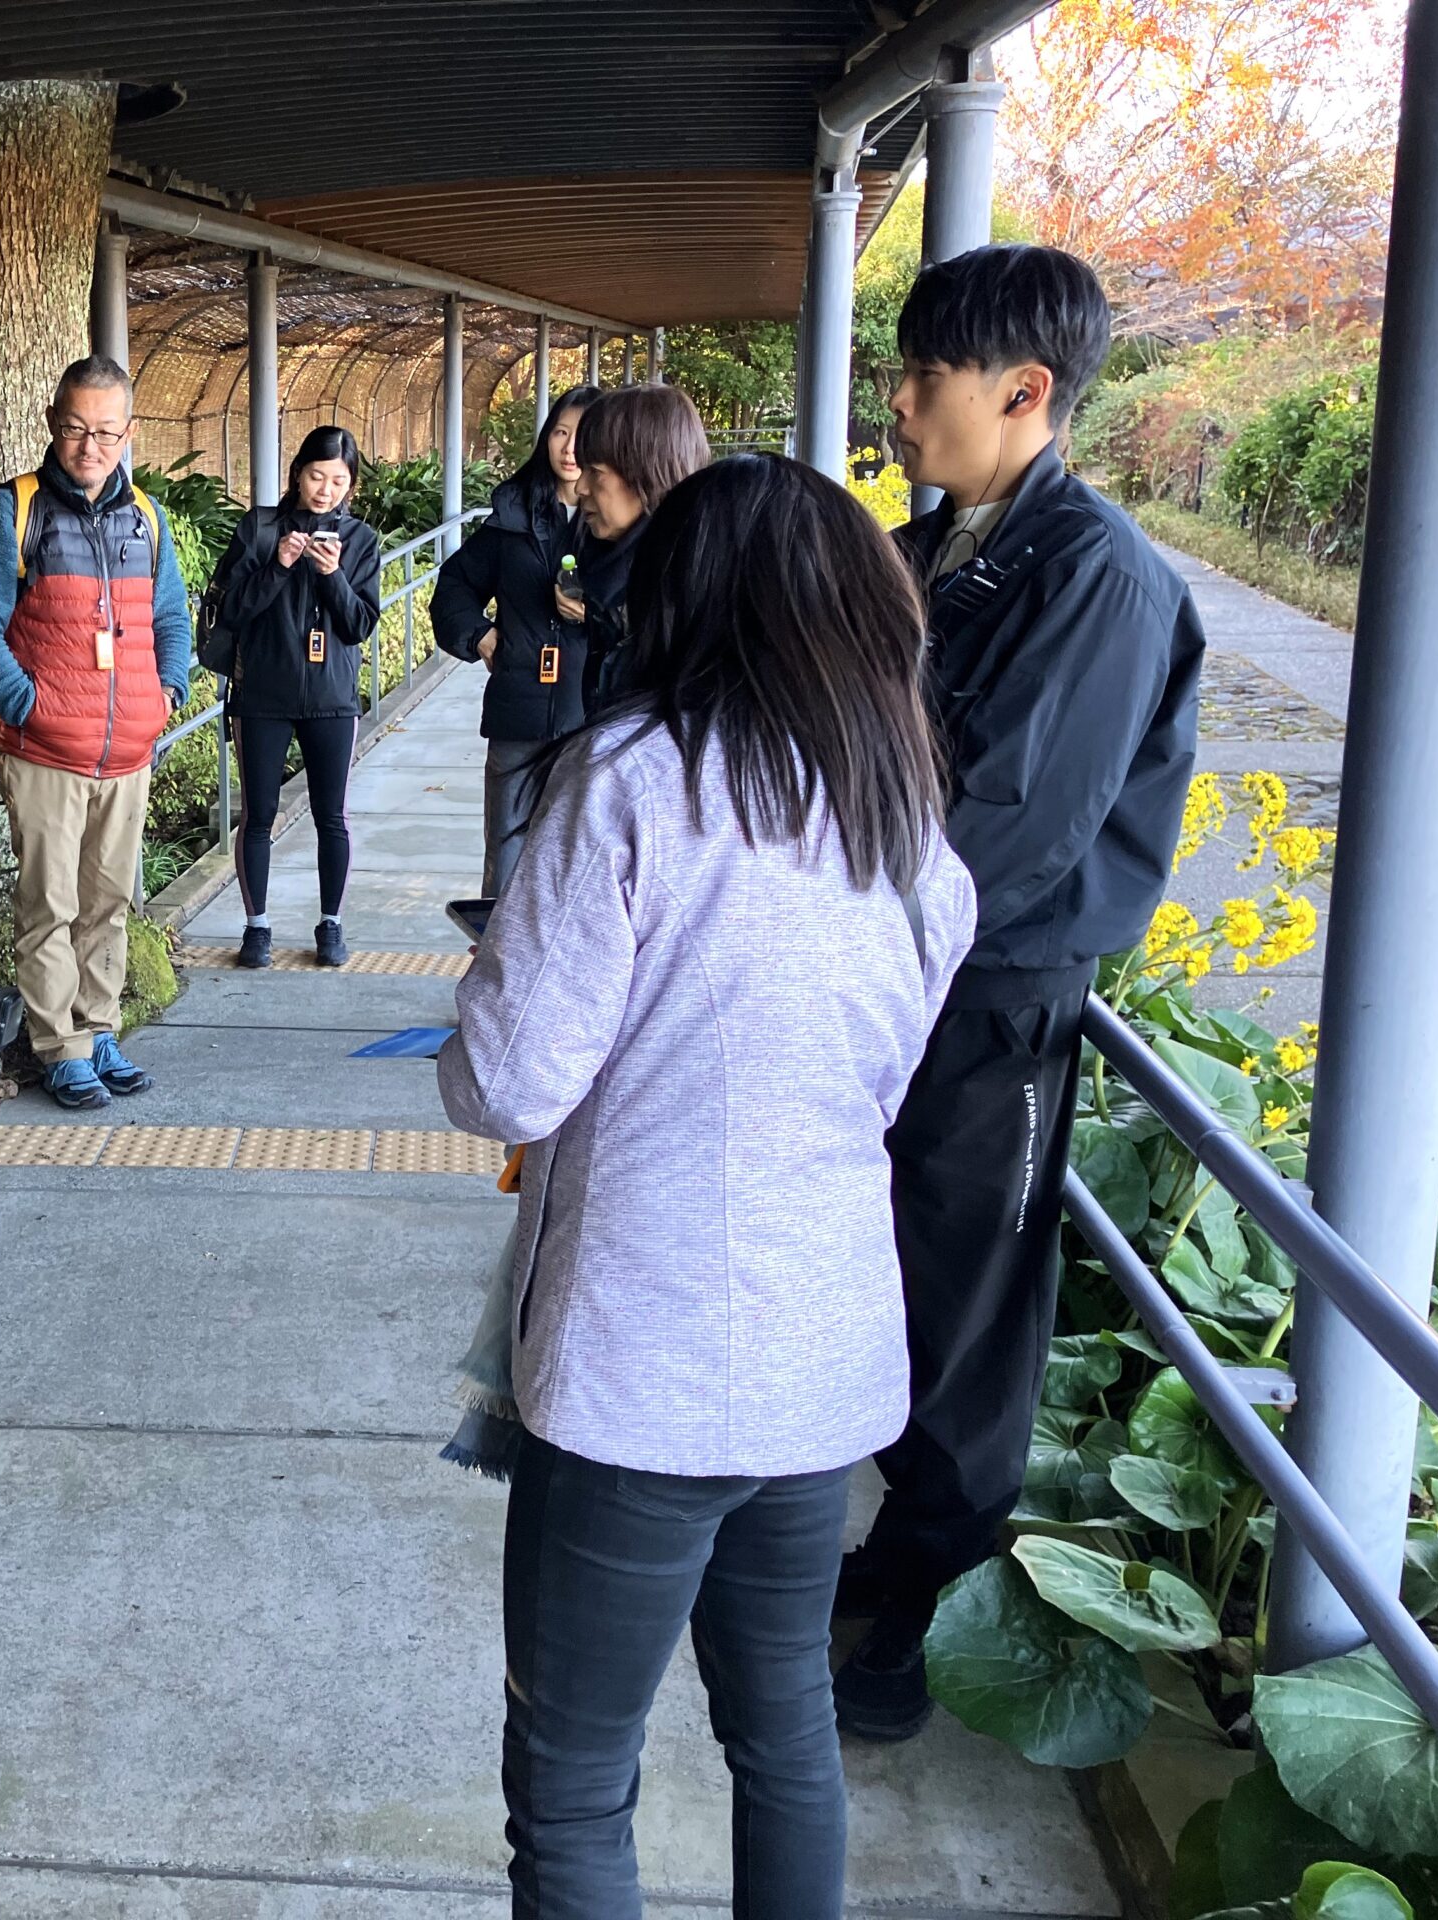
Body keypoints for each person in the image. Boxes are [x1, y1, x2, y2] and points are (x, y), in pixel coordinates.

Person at [439, 454, 975, 1920]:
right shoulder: (907, 828)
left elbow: (510, 1083)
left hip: (640, 1369)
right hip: (824, 1363)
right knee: (785, 1728)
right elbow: (882, 1083)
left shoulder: (630, 784)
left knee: (571, 1781)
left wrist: (491, 979)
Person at [833, 244, 1205, 1743]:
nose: (900, 401)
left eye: (925, 376)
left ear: (1026, 391)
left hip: (997, 996)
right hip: (906, 980)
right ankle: (892, 1559)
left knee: (973, 1305)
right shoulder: (943, 552)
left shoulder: (1100, 579)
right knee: (896, 1275)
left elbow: (1015, 825)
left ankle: (926, 1614)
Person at [0, 357, 194, 1109]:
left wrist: (166, 696)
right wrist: (28, 706)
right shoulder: (11, 510)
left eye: (107, 432)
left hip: (127, 750)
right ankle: (59, 1045)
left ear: (129, 432)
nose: (91, 446)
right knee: (48, 904)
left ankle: (100, 1026)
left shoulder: (144, 518)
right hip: (46, 751)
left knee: (110, 901)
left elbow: (172, 619)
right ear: (54, 424)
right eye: (77, 429)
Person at [209, 425, 383, 967]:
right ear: (297, 474)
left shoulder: (360, 542)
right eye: (316, 476)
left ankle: (331, 924)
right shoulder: (259, 530)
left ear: (350, 485)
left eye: (338, 480)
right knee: (258, 814)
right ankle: (256, 926)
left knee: (332, 816)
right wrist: (279, 564)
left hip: (332, 698)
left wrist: (331, 576)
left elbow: (359, 626)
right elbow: (232, 610)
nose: (325, 490)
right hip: (263, 694)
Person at [432, 385, 598, 896]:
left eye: (584, 437)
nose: (570, 449)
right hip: (519, 706)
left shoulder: (619, 520)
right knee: (506, 850)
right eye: (561, 433)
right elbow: (453, 589)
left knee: (581, 853)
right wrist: (483, 639)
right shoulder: (513, 514)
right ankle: (498, 963)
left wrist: (596, 615)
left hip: (591, 711)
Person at [565, 383, 711, 712]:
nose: (580, 486)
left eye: (595, 471)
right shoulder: (621, 580)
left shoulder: (689, 599)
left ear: (646, 473)